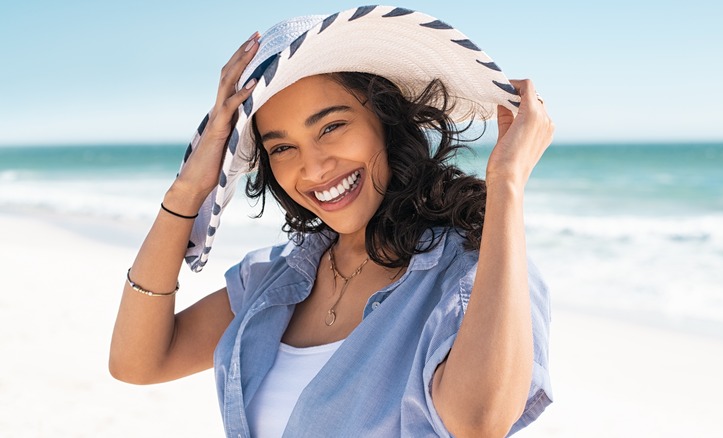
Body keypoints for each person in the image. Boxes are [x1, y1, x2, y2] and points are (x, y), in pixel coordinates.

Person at [109, 6, 553, 437]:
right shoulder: (272, 280)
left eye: (331, 126)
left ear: (385, 118)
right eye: (282, 148)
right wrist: (186, 192)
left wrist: (506, 185)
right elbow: (137, 362)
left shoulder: (475, 275)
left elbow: (479, 422)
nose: (315, 169)